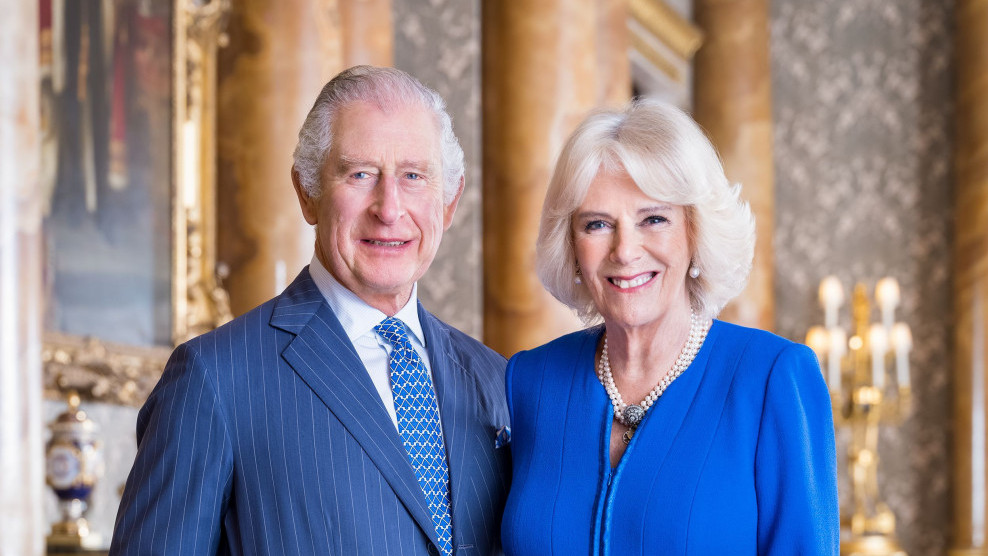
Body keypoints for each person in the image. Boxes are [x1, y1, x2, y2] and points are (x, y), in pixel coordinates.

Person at [110, 66, 511, 556]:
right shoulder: (213, 379)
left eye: (413, 176)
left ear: (448, 203)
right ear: (307, 193)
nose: (389, 209)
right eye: (360, 174)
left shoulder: (496, 380)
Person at [501, 99, 839, 555]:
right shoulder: (530, 381)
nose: (625, 251)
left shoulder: (771, 379)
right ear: (572, 247)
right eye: (597, 224)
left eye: (654, 219)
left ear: (695, 232)